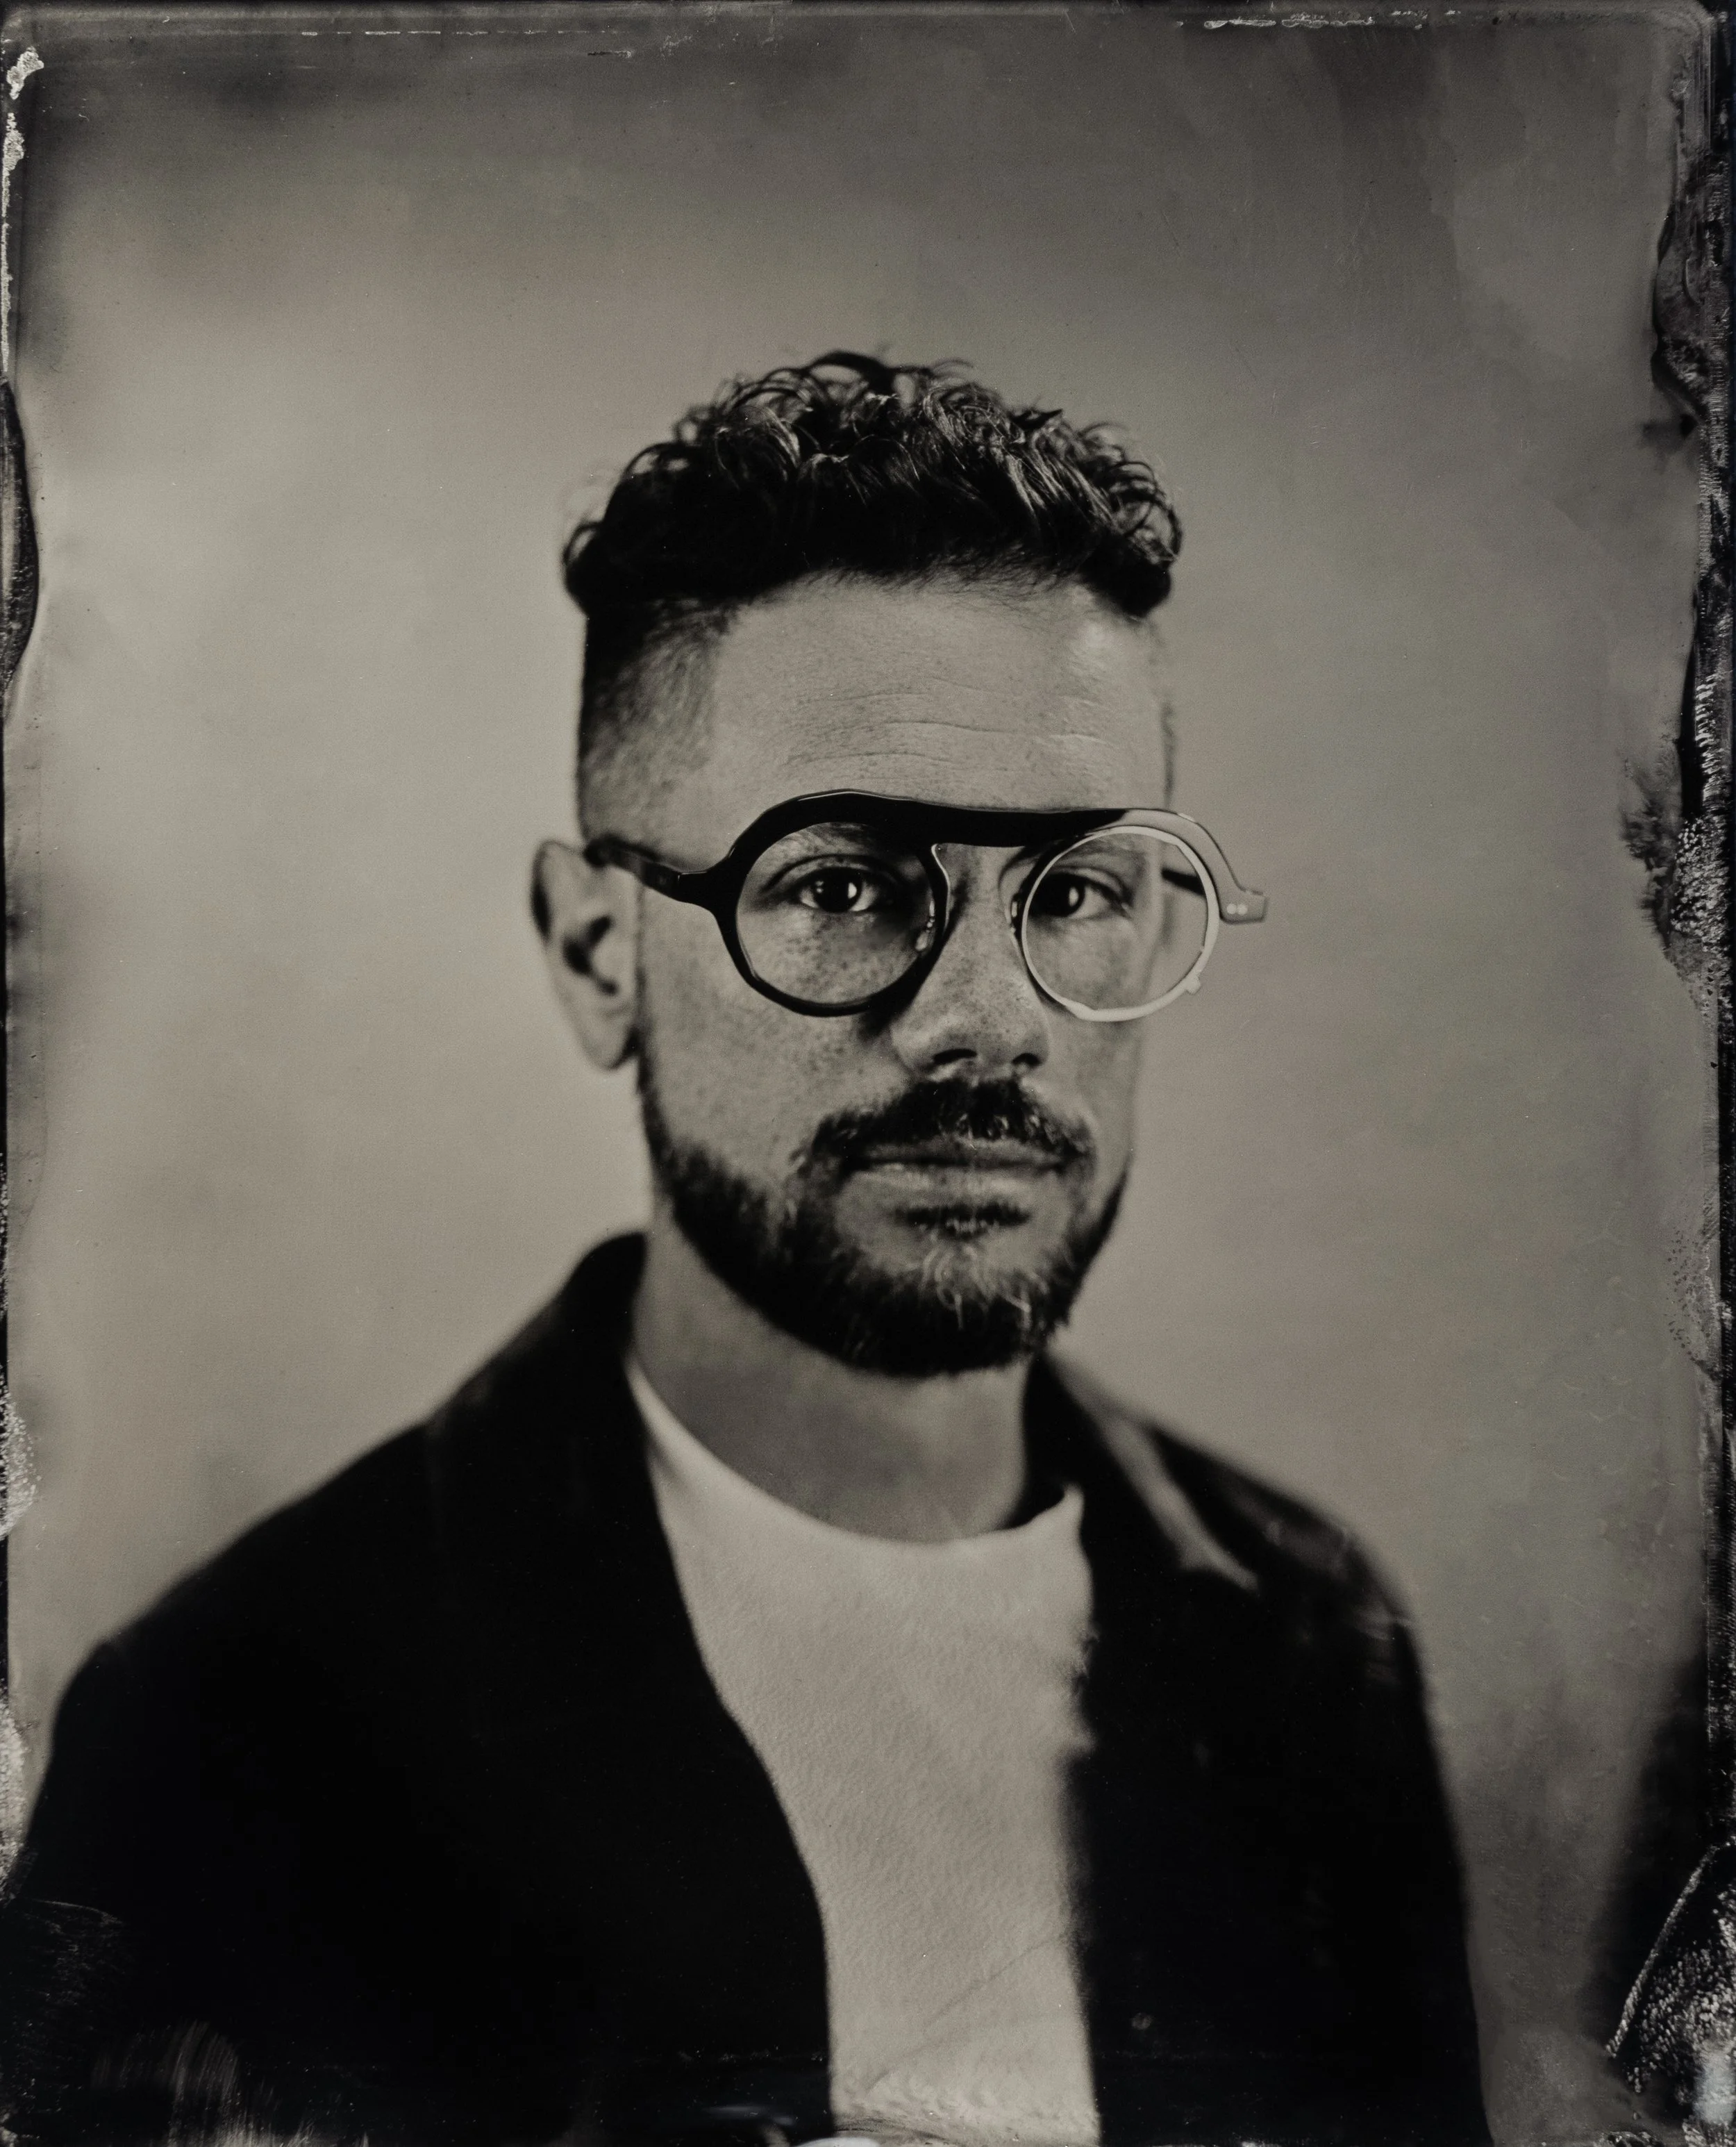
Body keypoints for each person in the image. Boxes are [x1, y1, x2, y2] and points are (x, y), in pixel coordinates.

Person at [0, 355, 1489, 2147]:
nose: (987, 1025)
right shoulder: (241, 1732)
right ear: (594, 953)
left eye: (1079, 892)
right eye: (845, 884)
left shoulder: (1308, 1651)